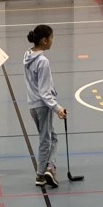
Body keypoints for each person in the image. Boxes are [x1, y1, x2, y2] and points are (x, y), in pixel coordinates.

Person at [22, 23, 66, 190]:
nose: (52, 41)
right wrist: (57, 108)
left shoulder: (27, 55)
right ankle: (41, 174)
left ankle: (50, 168)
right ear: (44, 40)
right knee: (46, 140)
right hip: (42, 105)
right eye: (51, 38)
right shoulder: (43, 61)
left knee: (51, 137)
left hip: (32, 105)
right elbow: (45, 92)